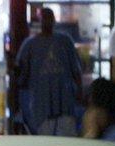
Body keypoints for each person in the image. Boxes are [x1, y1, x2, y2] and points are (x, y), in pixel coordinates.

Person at [15, 7, 83, 135]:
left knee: (67, 140)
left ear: (54, 20)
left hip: (64, 100)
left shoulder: (64, 41)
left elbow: (76, 69)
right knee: (46, 143)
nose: (47, 22)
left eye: (49, 18)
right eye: (44, 19)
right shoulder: (30, 45)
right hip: (41, 102)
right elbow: (20, 74)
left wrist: (79, 92)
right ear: (39, 21)